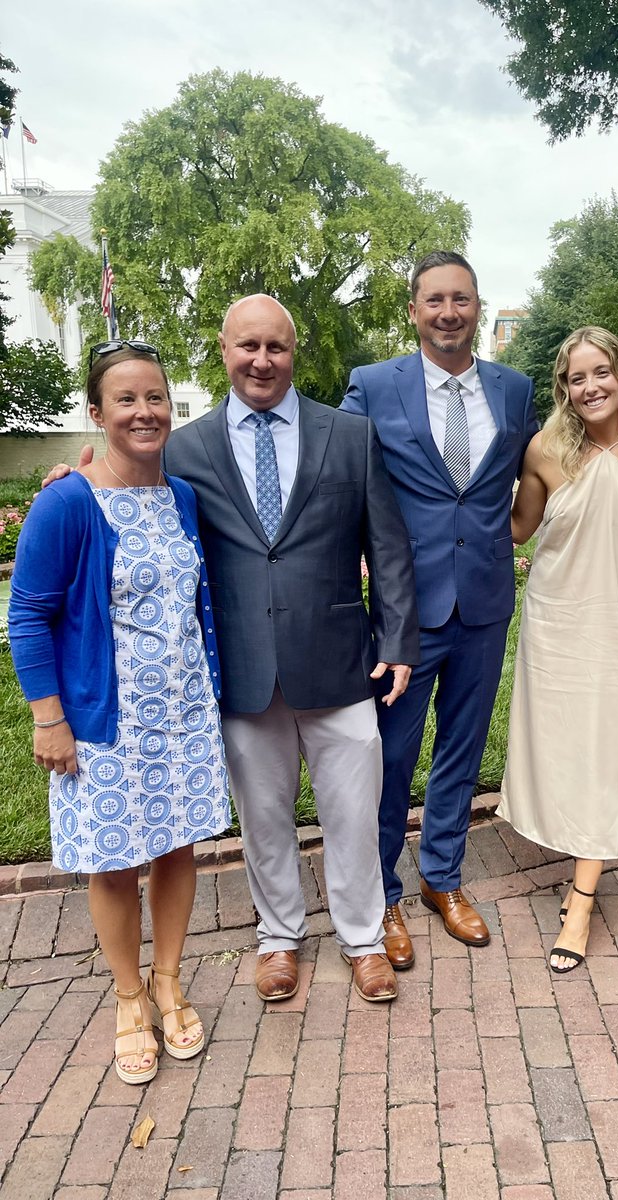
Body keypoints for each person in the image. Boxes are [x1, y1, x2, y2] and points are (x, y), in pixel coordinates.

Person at [46, 295, 420, 1006]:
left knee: (353, 811)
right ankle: (279, 937)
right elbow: (124, 499)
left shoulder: (351, 435)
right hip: (242, 672)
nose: (261, 360)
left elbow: (389, 546)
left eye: (276, 347)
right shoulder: (182, 449)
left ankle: (364, 938)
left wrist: (398, 637)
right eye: (247, 346)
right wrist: (73, 481)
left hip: (340, 662)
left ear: (294, 351)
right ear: (223, 350)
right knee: (265, 818)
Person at [10, 341, 230, 1084]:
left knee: (175, 848)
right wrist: (49, 717)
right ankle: (129, 998)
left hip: (185, 710)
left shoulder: (183, 498)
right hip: (107, 720)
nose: (145, 411)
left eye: (156, 397)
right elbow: (29, 613)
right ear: (98, 414)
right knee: (113, 861)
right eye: (127, 400)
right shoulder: (69, 499)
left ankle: (169, 978)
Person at [342, 251, 538, 966]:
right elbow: (328, 463)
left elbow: (557, 462)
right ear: (415, 311)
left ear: (478, 307)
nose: (448, 312)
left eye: (461, 299)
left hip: (484, 603)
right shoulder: (373, 386)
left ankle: (442, 879)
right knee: (391, 759)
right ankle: (383, 893)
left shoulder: (514, 392)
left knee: (461, 751)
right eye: (434, 301)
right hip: (403, 615)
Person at [498, 327, 618, 972]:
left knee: (607, 754)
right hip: (555, 625)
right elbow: (520, 530)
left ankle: (582, 897)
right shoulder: (544, 450)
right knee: (564, 751)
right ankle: (568, 847)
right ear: (564, 389)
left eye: (601, 372)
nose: (591, 386)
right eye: (577, 378)